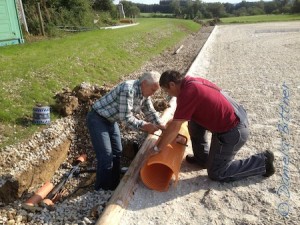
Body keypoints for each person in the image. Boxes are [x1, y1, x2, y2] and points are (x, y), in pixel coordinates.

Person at [154, 70, 275, 182]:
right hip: (234, 118)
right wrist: (173, 124)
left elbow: (175, 126)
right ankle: (202, 159)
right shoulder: (191, 82)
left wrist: (157, 149)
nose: (168, 94)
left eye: (167, 91)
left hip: (233, 130)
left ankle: (262, 162)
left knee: (217, 173)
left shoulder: (188, 92)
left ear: (172, 85)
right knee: (193, 122)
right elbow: (179, 119)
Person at [86, 71, 165, 191]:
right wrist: (144, 125)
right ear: (144, 83)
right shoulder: (128, 89)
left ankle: (114, 184)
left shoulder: (144, 93)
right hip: (98, 119)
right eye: (153, 90)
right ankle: (101, 189)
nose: (153, 94)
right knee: (106, 156)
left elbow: (149, 110)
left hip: (111, 120)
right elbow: (126, 118)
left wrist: (161, 125)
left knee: (117, 151)